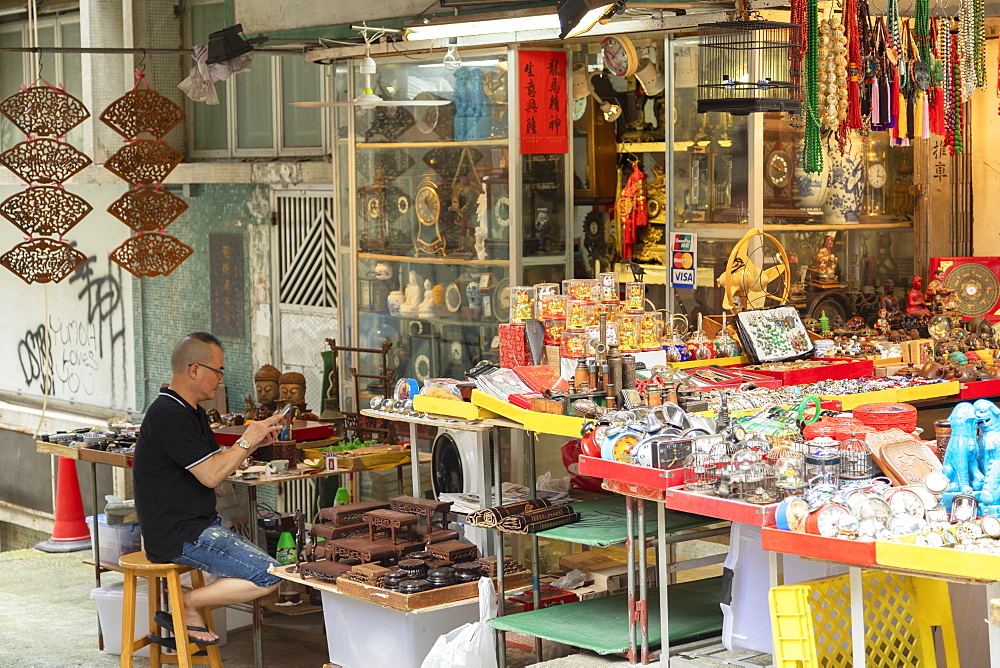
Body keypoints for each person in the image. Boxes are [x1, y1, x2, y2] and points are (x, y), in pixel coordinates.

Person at [134, 332, 285, 645]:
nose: (220, 380)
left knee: (269, 571)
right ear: (194, 370)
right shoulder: (169, 415)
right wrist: (248, 439)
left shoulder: (190, 411)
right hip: (178, 535)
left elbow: (214, 461)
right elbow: (211, 476)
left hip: (197, 526)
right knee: (270, 573)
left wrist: (252, 444)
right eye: (218, 371)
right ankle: (185, 605)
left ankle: (187, 608)